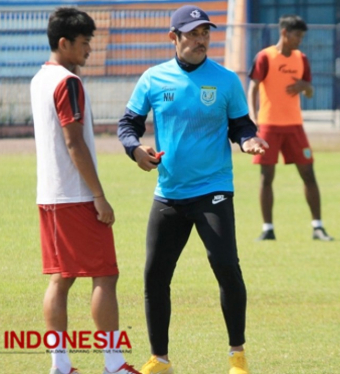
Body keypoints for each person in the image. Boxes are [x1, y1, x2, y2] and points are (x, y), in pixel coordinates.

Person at [117, 5, 268, 374]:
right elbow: (127, 125)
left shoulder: (226, 80)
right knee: (155, 275)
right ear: (174, 37)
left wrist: (248, 141)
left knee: (225, 266)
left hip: (213, 189)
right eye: (193, 34)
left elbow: (241, 125)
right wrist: (136, 151)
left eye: (206, 33)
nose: (202, 40)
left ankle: (237, 356)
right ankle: (160, 359)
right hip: (169, 192)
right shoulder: (153, 79)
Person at [30, 8, 140, 374]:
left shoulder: (38, 79)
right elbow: (73, 142)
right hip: (75, 197)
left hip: (49, 195)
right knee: (105, 275)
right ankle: (114, 364)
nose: (90, 49)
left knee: (61, 279)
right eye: (84, 42)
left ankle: (60, 365)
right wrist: (98, 195)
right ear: (64, 43)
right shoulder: (68, 83)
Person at [247, 15, 333, 242]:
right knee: (266, 177)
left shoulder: (301, 58)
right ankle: (268, 228)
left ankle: (318, 227)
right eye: (297, 35)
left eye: (302, 36)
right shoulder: (265, 57)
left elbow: (310, 92)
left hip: (295, 126)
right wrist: (253, 118)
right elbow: (253, 87)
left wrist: (306, 86)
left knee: (309, 174)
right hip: (268, 126)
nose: (300, 41)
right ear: (284, 33)